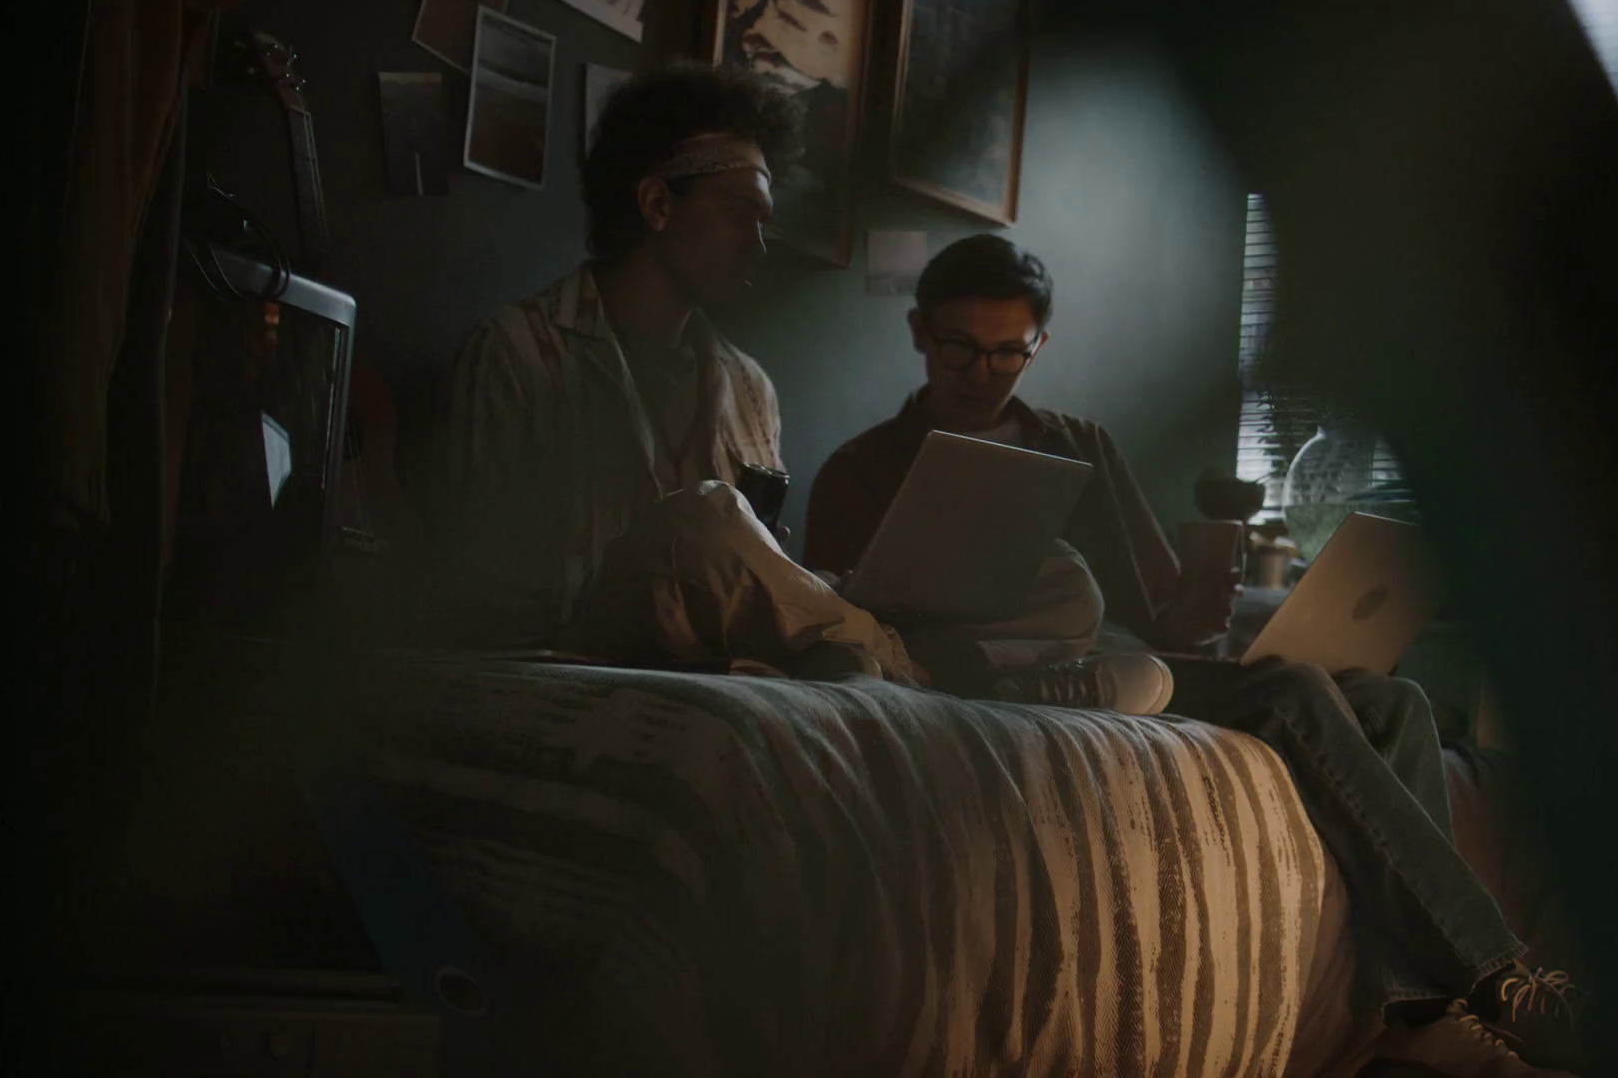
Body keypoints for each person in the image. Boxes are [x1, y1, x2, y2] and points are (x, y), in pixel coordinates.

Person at [805, 235, 1589, 1073]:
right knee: (1291, 694)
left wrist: (1212, 590)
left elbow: (1165, 619)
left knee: (1397, 702)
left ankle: (1415, 1015)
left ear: (1041, 344)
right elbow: (848, 638)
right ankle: (1496, 979)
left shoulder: (1082, 444)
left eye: (1009, 353)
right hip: (1012, 675)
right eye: (959, 348)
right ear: (920, 333)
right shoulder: (862, 470)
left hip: (1134, 667)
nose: (982, 373)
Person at [411, 63, 1168, 712]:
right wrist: (695, 568)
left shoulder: (750, 387)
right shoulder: (518, 354)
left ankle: (940, 666)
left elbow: (764, 566)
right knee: (707, 518)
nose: (761, 243)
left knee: (1063, 576)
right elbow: (477, 597)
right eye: (741, 214)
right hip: (596, 639)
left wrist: (799, 583)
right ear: (658, 205)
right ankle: (920, 671)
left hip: (748, 638)